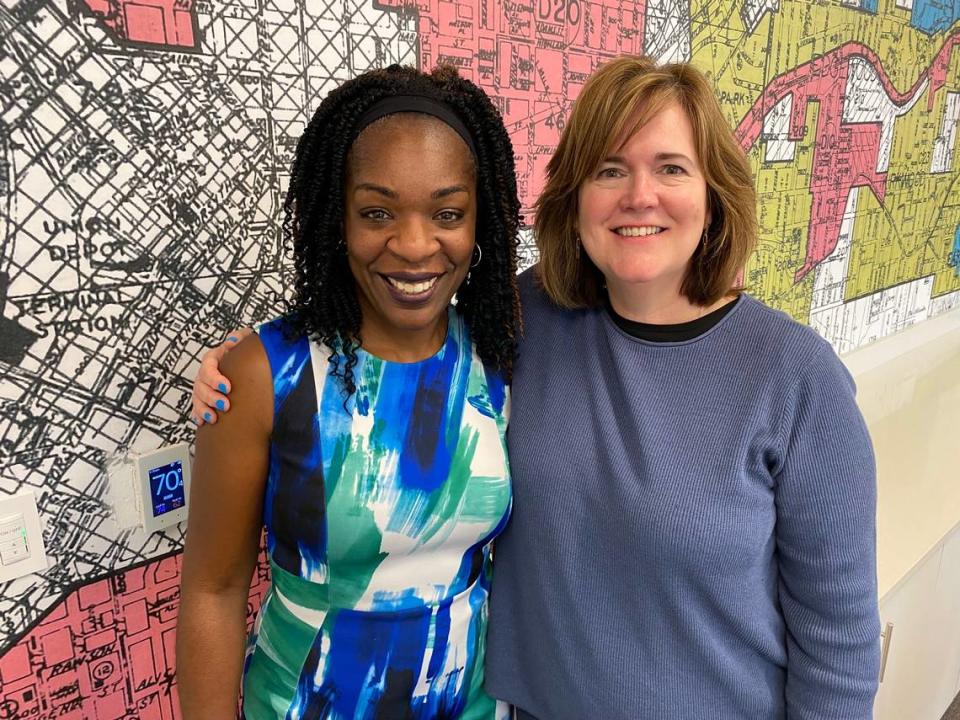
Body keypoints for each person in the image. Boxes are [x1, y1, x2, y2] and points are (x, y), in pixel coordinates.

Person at [191, 57, 881, 719]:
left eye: (671, 168)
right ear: (576, 198)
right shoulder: (529, 324)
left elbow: (839, 647)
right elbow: (381, 346)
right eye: (610, 170)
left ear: (715, 194)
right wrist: (243, 368)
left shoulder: (797, 381)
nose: (639, 196)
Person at [177, 64, 521, 720]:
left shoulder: (500, 355)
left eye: (447, 213)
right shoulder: (264, 375)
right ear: (338, 217)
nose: (415, 244)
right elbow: (215, 591)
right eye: (377, 212)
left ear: (481, 223)